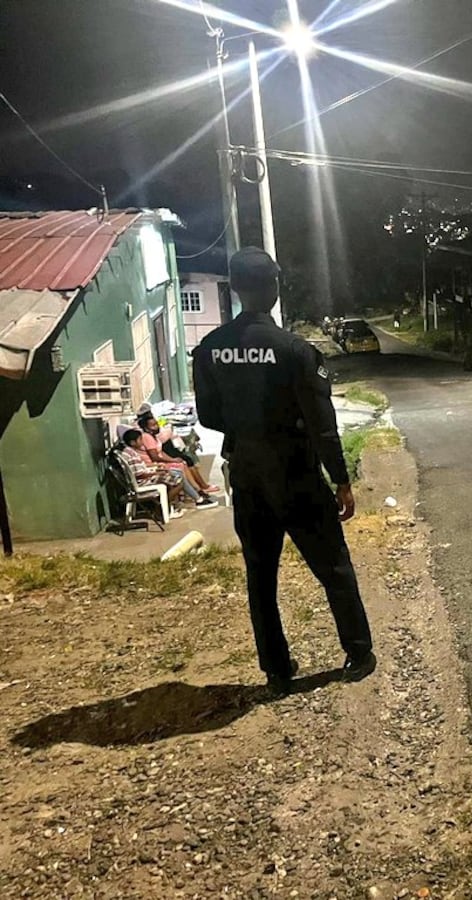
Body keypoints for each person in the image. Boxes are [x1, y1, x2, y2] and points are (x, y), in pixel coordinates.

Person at [193, 247, 375, 694]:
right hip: (296, 473)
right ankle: (357, 652)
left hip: (249, 477)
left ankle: (276, 671)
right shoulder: (295, 350)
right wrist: (342, 479)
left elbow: (209, 417)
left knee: (261, 575)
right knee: (333, 567)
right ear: (274, 288)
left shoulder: (210, 349)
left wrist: (247, 423)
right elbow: (322, 424)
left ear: (235, 288)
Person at [136, 410, 220, 499]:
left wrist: (173, 459)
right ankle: (197, 492)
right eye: (153, 425)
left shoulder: (153, 436)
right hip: (154, 465)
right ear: (146, 428)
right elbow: (155, 457)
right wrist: (172, 460)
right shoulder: (147, 437)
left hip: (158, 462)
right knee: (180, 466)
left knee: (183, 462)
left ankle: (198, 489)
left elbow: (161, 452)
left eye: (156, 424)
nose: (157, 427)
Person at [119, 428, 186, 518]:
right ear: (132, 443)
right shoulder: (132, 454)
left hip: (141, 480)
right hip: (142, 483)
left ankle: (168, 508)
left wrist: (156, 470)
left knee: (170, 480)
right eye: (140, 440)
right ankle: (160, 509)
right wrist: (156, 474)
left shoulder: (129, 452)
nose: (142, 442)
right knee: (179, 483)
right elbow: (139, 475)